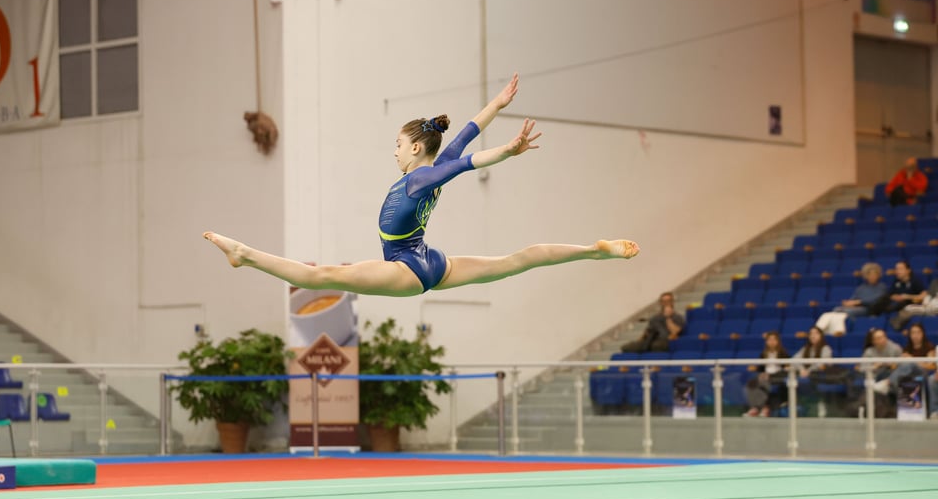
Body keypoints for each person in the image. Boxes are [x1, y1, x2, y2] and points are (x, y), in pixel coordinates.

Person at [204, 74, 639, 296]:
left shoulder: (422, 177)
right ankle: (591, 251)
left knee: (322, 275)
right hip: (433, 261)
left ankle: (244, 254)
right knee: (518, 259)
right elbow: (467, 133)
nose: (393, 151)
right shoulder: (434, 164)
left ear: (415, 148)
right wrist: (498, 103)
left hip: (408, 267)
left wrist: (507, 150)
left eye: (397, 144)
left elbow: (470, 160)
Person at [814, 263, 887, 335]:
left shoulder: (882, 287)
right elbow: (853, 299)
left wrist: (859, 302)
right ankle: (820, 330)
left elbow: (877, 301)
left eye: (874, 274)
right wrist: (848, 303)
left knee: (845, 311)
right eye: (870, 274)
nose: (872, 277)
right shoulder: (861, 287)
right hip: (856, 307)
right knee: (834, 311)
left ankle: (818, 332)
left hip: (870, 309)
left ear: (878, 275)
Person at [744, 331, 790, 417]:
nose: (771, 342)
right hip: (764, 376)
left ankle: (764, 407)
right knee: (751, 384)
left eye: (774, 339)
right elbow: (761, 368)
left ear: (778, 341)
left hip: (777, 377)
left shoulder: (783, 354)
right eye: (769, 340)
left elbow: (786, 369)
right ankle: (755, 407)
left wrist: (770, 375)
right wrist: (756, 368)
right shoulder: (763, 354)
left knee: (763, 382)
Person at [621, 301, 685, 353]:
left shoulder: (677, 317)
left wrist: (668, 318)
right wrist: (640, 339)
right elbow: (647, 331)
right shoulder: (656, 318)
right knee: (626, 347)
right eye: (665, 310)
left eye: (669, 309)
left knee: (656, 346)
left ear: (673, 309)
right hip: (650, 339)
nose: (667, 311)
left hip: (664, 340)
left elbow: (675, 332)